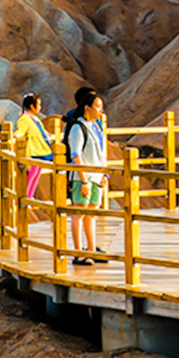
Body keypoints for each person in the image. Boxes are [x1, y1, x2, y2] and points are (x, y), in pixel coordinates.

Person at [64, 86, 109, 266]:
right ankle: (78, 252)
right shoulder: (78, 127)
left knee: (91, 214)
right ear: (87, 108)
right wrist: (84, 180)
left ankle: (91, 249)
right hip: (84, 177)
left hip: (97, 177)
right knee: (79, 213)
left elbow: (101, 152)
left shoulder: (96, 126)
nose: (101, 110)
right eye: (98, 106)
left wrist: (105, 174)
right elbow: (76, 155)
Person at [13, 94, 55, 201]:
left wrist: (51, 136)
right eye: (38, 104)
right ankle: (26, 195)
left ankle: (30, 196)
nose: (40, 107)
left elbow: (43, 131)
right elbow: (21, 131)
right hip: (34, 149)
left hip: (40, 148)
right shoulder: (24, 119)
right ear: (32, 106)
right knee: (33, 173)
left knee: (37, 173)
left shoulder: (35, 119)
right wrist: (15, 136)